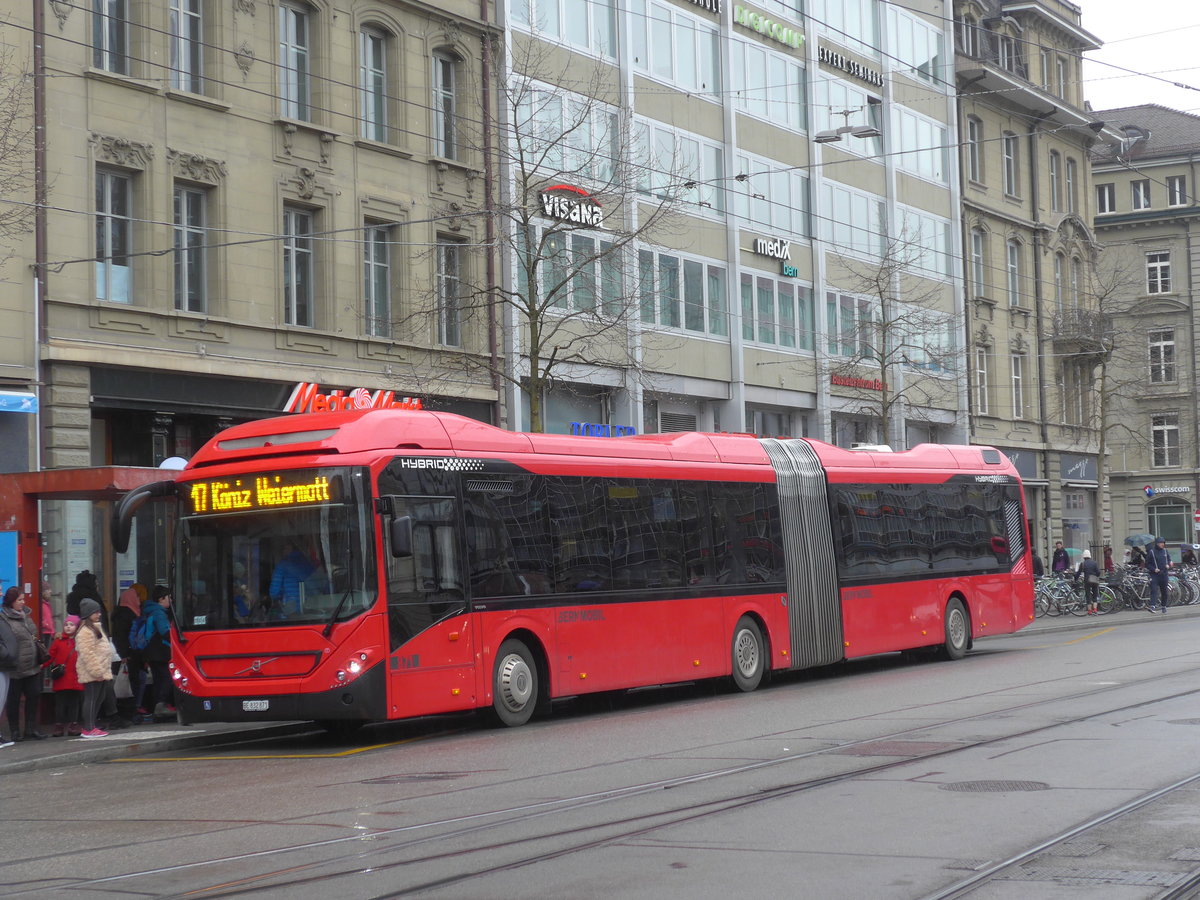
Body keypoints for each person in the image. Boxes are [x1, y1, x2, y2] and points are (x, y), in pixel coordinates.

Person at [0, 587, 49, 740]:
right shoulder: (4, 619)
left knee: (33, 696)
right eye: (19, 600)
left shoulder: (26, 616)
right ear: (11, 601)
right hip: (15, 667)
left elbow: (33, 635)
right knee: (13, 700)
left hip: (32, 666)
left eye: (23, 599)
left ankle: (30, 729)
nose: (23, 602)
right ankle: (14, 731)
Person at [75, 598, 113, 738]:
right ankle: (88, 728)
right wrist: (97, 671)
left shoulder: (96, 627)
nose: (99, 614)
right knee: (91, 698)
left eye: (99, 611)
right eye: (95, 612)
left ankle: (91, 724)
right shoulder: (85, 631)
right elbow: (87, 653)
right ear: (88, 614)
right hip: (92, 671)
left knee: (99, 697)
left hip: (101, 669)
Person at [48, 615, 83, 736]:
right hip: (61, 677)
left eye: (71, 625)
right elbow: (50, 656)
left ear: (77, 627)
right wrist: (41, 665)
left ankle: (73, 725)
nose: (68, 627)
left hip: (76, 677)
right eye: (66, 625)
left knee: (74, 703)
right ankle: (59, 725)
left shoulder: (80, 641)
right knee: (60, 704)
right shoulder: (58, 641)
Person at [144, 586, 175, 718]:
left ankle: (157, 707)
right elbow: (165, 632)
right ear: (161, 599)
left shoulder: (149, 610)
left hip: (151, 651)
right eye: (169, 597)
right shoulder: (159, 613)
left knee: (158, 679)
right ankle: (161, 705)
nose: (171, 600)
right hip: (161, 651)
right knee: (168, 677)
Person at [269, 543, 316, 617]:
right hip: (310, 608)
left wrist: (281, 596)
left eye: (284, 549)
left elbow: (274, 592)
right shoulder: (308, 563)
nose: (283, 551)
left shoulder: (282, 565)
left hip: (291, 610)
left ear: (289, 549)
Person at [1146, 536, 1171, 613]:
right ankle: (1152, 606)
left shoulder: (1165, 551)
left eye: (1163, 543)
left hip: (1164, 574)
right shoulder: (1152, 552)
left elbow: (1169, 560)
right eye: (1161, 543)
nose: (1162, 544)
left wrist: (1168, 565)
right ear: (1157, 544)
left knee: (1164, 591)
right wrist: (1154, 569)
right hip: (1155, 574)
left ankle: (1163, 606)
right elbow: (1147, 564)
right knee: (1154, 589)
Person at [1075, 549, 1101, 615]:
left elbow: (1078, 573)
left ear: (1084, 557)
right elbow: (1098, 572)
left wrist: (1075, 579)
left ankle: (1089, 611)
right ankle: (1095, 609)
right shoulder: (1094, 563)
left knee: (1088, 595)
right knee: (1095, 595)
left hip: (1087, 581)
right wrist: (1096, 575)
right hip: (1094, 581)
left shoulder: (1083, 564)